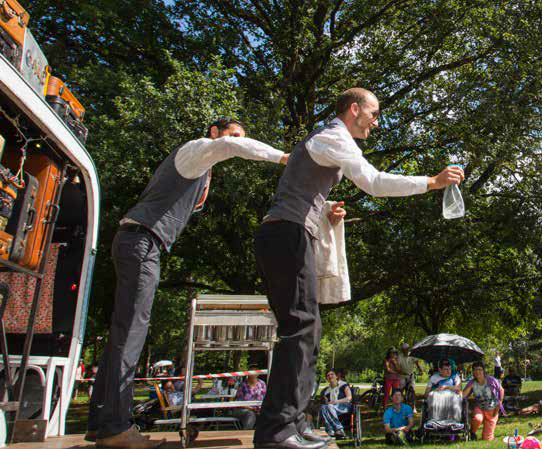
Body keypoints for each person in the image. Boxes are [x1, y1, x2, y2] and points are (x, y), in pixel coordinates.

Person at [253, 87, 464, 449]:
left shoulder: (328, 141)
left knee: (309, 331)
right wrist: (432, 182)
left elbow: (302, 191)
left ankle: (294, 422)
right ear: (354, 109)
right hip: (286, 235)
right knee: (300, 330)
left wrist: (326, 211)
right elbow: (374, 182)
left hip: (290, 234)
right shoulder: (333, 137)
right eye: (373, 114)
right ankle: (276, 431)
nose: (376, 122)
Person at [86, 118, 288, 449]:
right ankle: (115, 427)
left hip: (139, 242)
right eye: (233, 135)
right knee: (132, 330)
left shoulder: (202, 169)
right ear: (214, 132)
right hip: (142, 241)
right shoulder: (195, 150)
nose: (237, 142)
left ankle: (100, 422)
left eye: (242, 138)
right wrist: (284, 157)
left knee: (124, 331)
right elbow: (229, 146)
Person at [462, 361, 504, 441]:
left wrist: (499, 405)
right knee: (477, 419)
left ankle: (487, 434)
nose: (477, 371)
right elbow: (463, 395)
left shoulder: (491, 380)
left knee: (487, 439)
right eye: (475, 370)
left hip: (492, 410)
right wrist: (470, 387)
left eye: (479, 369)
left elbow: (501, 390)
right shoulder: (472, 382)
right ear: (473, 372)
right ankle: (472, 432)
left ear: (483, 371)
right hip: (480, 408)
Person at [319, 369, 352, 439]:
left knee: (329, 406)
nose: (330, 376)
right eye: (328, 375)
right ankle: (331, 430)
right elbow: (326, 403)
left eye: (332, 374)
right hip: (332, 408)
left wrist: (335, 402)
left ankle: (339, 429)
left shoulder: (343, 385)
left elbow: (349, 398)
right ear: (327, 379)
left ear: (336, 376)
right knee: (323, 407)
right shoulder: (326, 391)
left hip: (345, 406)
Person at [397, 343, 421, 411]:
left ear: (408, 349)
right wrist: (401, 372)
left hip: (411, 375)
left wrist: (420, 370)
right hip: (402, 375)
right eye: (404, 350)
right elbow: (398, 367)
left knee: (412, 390)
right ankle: (399, 405)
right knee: (401, 390)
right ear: (402, 350)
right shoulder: (399, 357)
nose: (405, 351)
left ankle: (413, 407)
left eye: (406, 349)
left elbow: (417, 363)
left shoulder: (412, 355)